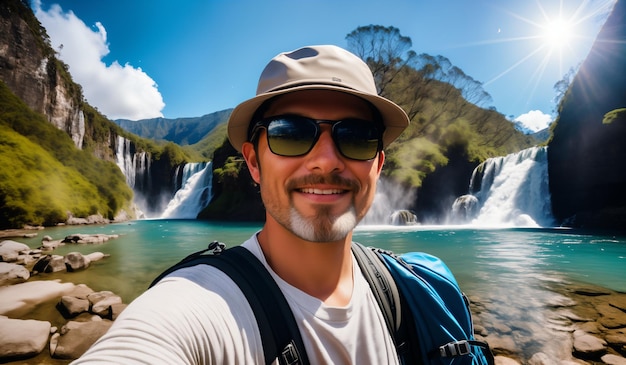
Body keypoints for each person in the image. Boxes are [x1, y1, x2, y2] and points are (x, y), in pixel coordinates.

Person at [73, 44, 411, 364]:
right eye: (290, 133)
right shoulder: (197, 304)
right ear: (253, 163)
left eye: (355, 137)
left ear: (378, 165)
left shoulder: (412, 296)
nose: (325, 161)